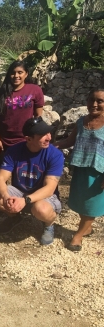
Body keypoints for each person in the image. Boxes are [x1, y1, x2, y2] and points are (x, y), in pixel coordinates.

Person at [0, 117, 64, 245]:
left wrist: (25, 200)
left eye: (49, 133)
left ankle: (48, 225)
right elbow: (0, 179)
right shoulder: (14, 151)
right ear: (28, 139)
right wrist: (6, 197)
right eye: (43, 135)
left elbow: (49, 188)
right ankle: (14, 217)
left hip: (43, 195)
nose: (49, 137)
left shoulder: (55, 155)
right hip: (20, 192)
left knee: (41, 209)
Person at [55, 88, 104, 251]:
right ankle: (87, 227)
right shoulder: (81, 121)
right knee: (81, 201)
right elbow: (69, 141)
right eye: (92, 100)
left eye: (100, 101)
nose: (94, 104)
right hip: (81, 168)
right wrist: (53, 145)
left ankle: (78, 235)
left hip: (99, 172)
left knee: (92, 204)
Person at [0, 60, 44, 164]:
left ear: (26, 74)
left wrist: (35, 138)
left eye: (20, 72)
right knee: (2, 172)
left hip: (26, 140)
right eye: (13, 72)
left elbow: (38, 117)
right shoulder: (0, 93)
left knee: (22, 172)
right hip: (4, 141)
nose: (16, 75)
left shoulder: (35, 90)